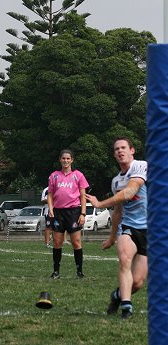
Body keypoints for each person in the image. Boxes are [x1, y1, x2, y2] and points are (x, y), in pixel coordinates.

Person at [86, 137, 148, 320]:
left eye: (123, 148)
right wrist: (113, 237)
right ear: (114, 154)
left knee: (137, 282)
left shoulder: (141, 166)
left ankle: (117, 296)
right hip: (128, 227)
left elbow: (129, 192)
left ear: (132, 150)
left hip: (150, 229)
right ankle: (127, 307)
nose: (120, 151)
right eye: (116, 149)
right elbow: (118, 212)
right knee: (124, 260)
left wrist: (99, 204)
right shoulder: (116, 181)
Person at [48, 149, 89, 279]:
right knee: (57, 242)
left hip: (74, 211)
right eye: (63, 158)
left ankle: (79, 272)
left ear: (72, 160)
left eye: (68, 158)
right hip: (58, 212)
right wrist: (50, 208)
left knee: (76, 242)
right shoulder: (54, 176)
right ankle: (56, 272)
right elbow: (50, 194)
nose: (66, 160)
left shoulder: (78, 175)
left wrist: (83, 213)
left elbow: (83, 195)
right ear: (60, 160)